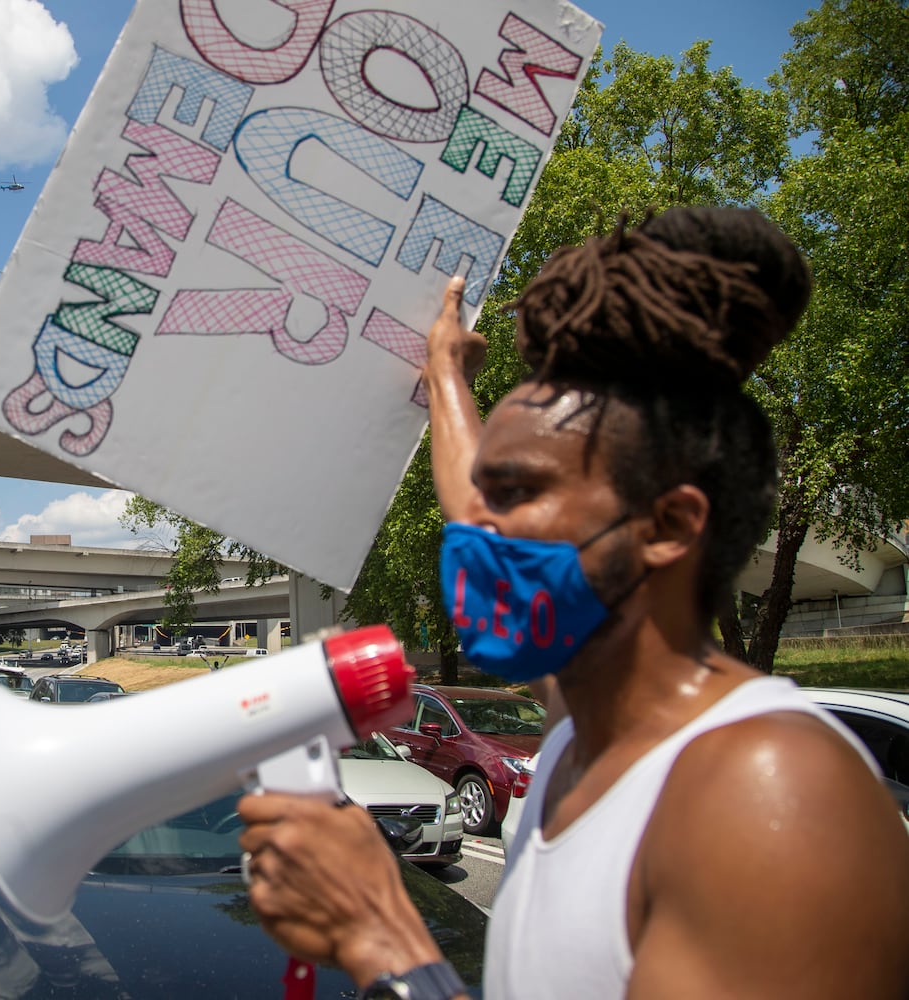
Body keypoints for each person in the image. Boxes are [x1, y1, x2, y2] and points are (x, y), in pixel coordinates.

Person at [236, 207, 909, 999]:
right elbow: (478, 502)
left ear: (667, 525)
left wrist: (380, 931)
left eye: (517, 493)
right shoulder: (579, 725)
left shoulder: (767, 796)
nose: (474, 542)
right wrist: (447, 375)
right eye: (484, 495)